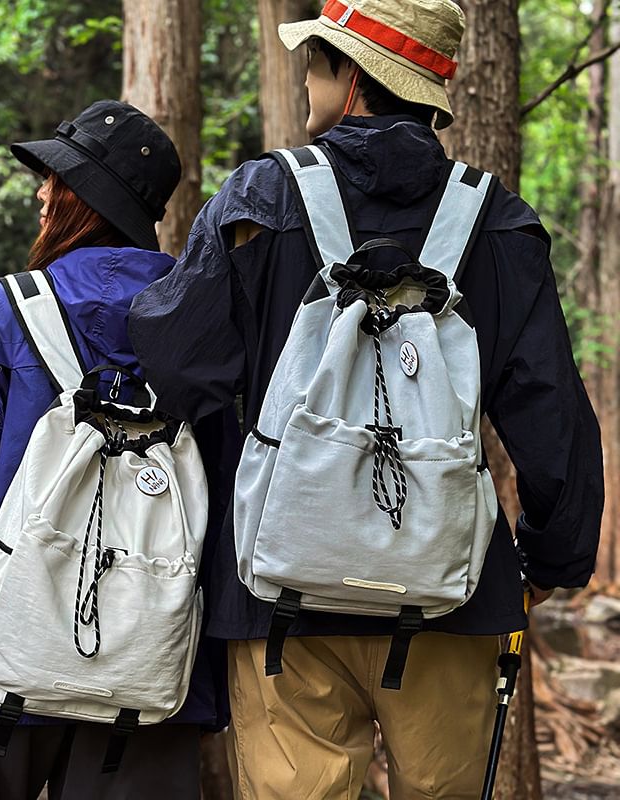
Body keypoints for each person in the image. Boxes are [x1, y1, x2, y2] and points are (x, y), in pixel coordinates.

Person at [128, 2, 604, 798]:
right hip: (450, 595)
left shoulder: (261, 199)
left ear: (352, 77)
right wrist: (551, 558)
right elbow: (551, 412)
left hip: (281, 601)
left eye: (315, 59)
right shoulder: (497, 221)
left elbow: (177, 366)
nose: (303, 76)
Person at [0, 100, 232, 800]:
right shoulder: (203, 323)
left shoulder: (8, 309)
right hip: (148, 656)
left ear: (82, 200)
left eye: (55, 180)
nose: (42, 194)